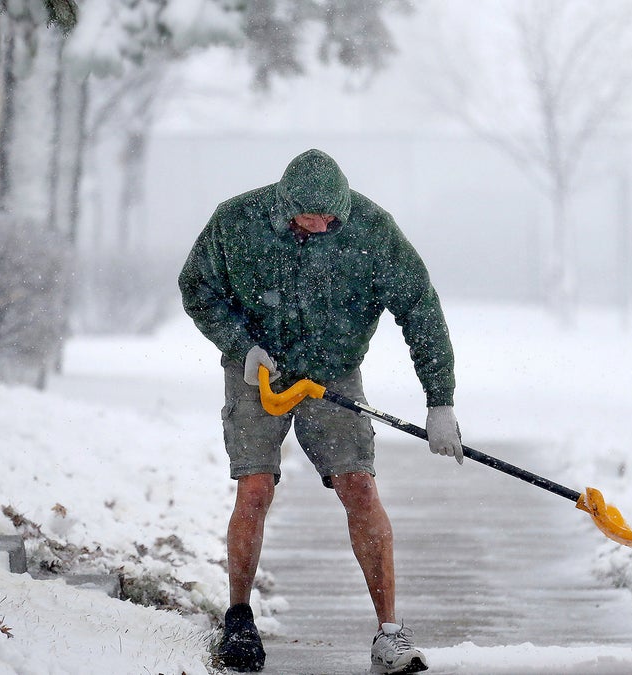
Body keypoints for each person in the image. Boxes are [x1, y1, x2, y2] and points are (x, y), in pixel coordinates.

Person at [178, 148, 462, 674]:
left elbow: (420, 307)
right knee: (255, 487)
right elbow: (196, 288)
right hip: (257, 373)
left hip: (332, 375)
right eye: (310, 217)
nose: (321, 224)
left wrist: (439, 401)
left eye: (331, 215)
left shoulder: (372, 231)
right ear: (285, 205)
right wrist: (242, 345)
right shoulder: (236, 220)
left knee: (359, 487)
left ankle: (390, 634)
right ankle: (239, 618)